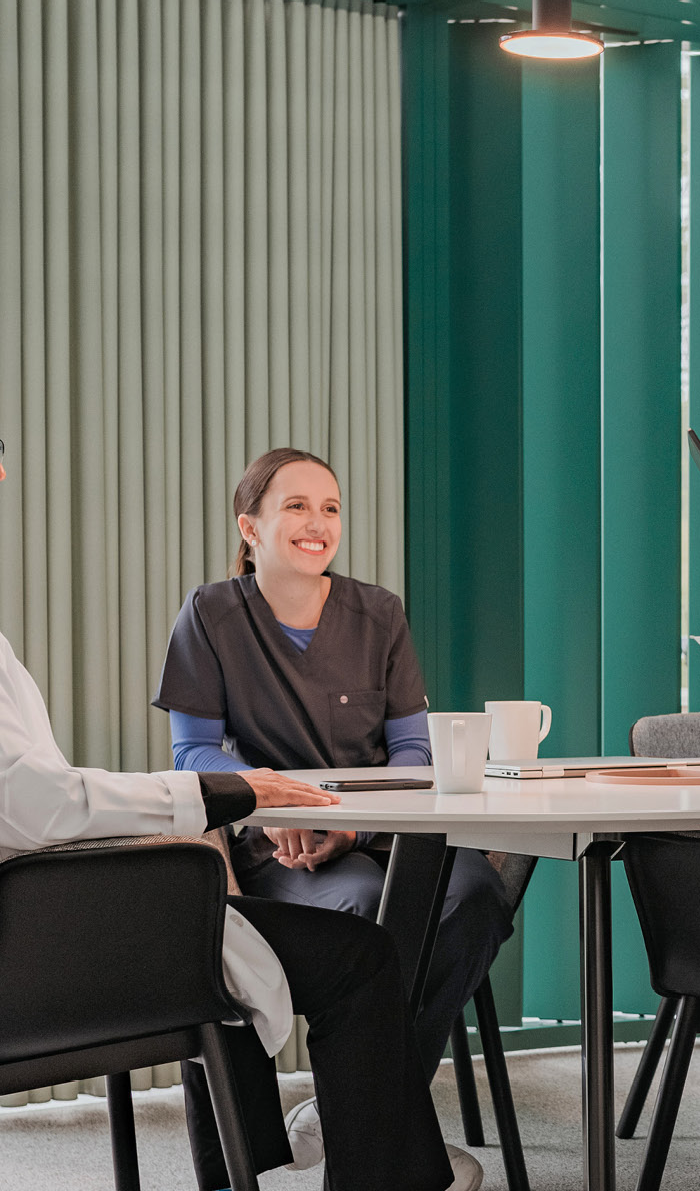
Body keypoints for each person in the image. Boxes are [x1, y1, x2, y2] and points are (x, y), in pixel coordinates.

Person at [0, 352, 478, 1190]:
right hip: (4, 954)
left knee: (238, 905)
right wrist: (230, 792)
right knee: (355, 956)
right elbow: (34, 806)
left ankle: (269, 1168)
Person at [153, 447, 511, 1069]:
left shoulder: (380, 614)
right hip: (281, 845)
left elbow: (412, 750)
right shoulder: (209, 615)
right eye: (296, 506)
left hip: (392, 831)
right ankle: (383, 1115)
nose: (318, 524)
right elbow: (193, 751)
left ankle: (369, 1101)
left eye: (331, 508)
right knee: (365, 908)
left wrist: (355, 824)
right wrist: (270, 798)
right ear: (250, 527)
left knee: (476, 894)